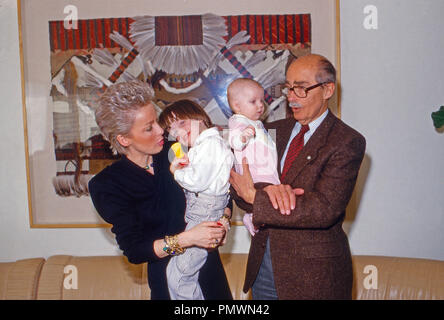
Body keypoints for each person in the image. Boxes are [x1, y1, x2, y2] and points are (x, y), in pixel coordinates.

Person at [230, 54, 366, 300]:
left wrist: (256, 197)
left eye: (301, 89)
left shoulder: (346, 141)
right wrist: (263, 192)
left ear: (327, 89)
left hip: (315, 277)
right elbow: (238, 182)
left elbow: (324, 209)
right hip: (263, 268)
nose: (291, 97)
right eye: (288, 88)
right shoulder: (270, 130)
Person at [88, 81, 232, 300]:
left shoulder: (178, 150)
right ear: (124, 139)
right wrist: (188, 239)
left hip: (211, 277)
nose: (160, 131)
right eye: (149, 128)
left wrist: (222, 222)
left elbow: (219, 189)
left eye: (156, 121)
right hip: (169, 285)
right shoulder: (107, 185)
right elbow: (135, 251)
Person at [158, 100, 234, 300]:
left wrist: (178, 172)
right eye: (171, 130)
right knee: (177, 274)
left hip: (204, 209)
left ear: (199, 116)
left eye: (181, 123)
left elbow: (197, 181)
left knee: (180, 276)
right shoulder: (202, 146)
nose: (177, 133)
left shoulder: (210, 144)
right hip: (201, 209)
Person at [226, 78, 280, 236]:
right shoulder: (238, 122)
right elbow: (234, 140)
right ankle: (250, 217)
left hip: (267, 171)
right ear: (237, 106)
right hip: (256, 173)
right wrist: (243, 137)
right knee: (264, 198)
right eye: (253, 101)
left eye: (261, 101)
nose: (260, 105)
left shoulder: (256, 122)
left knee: (270, 198)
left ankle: (254, 216)